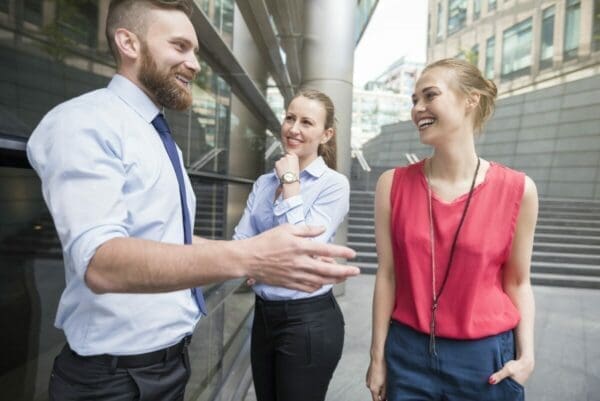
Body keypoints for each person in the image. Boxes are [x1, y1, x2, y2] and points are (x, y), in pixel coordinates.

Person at [26, 1, 359, 400]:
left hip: (169, 364)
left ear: (326, 135)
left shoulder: (156, 136)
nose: (195, 64)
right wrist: (250, 256)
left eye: (196, 52)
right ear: (128, 42)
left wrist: (253, 252)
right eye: (180, 47)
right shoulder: (84, 122)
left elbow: (172, 240)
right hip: (114, 380)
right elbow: (100, 261)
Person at [366, 58, 538, 401]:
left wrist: (527, 356)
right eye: (414, 100)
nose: (418, 108)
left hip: (485, 361)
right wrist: (377, 358)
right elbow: (387, 275)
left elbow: (517, 281)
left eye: (429, 96)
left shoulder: (519, 189)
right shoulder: (392, 185)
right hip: (407, 353)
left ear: (470, 100)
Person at [233, 89, 348, 401]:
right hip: (264, 317)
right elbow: (241, 242)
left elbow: (304, 248)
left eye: (306, 122)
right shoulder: (262, 183)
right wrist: (253, 260)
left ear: (326, 134)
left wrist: (290, 183)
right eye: (290, 117)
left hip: (308, 321)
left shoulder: (334, 185)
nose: (294, 128)